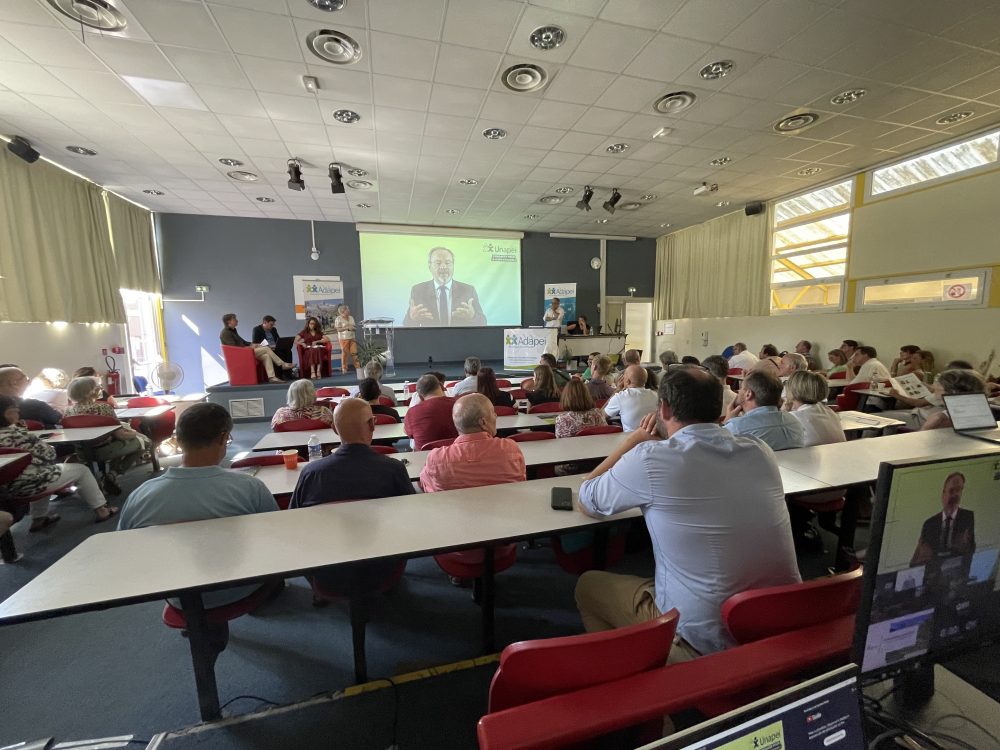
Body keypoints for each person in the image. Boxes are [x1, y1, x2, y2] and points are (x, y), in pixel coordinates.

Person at [573, 367, 801, 659]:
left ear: (664, 408)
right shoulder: (760, 451)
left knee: (587, 586)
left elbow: (587, 499)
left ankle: (641, 678)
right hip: (780, 625)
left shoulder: (651, 459)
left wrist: (634, 441)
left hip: (707, 641)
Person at [118, 403, 279, 608]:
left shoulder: (139, 497)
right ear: (223, 438)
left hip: (174, 592)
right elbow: (275, 539)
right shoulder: (250, 488)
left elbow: (122, 552)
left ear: (178, 439)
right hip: (241, 587)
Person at [290, 398, 414, 594]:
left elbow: (292, 523)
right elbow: (413, 519)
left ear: (334, 430)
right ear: (372, 425)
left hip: (326, 569)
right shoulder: (394, 470)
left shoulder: (310, 473)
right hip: (383, 566)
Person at [0, 394, 118, 528]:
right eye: (16, 410)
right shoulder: (18, 435)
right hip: (28, 484)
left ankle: (39, 518)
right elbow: (49, 455)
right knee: (81, 470)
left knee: (39, 471)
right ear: (8, 413)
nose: (19, 413)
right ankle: (102, 510)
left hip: (5, 489)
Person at [419, 394, 525, 492]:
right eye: (493, 413)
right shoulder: (511, 448)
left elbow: (426, 486)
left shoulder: (435, 459)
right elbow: (521, 479)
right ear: (483, 422)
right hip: (507, 509)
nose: (496, 416)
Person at [64, 377, 149, 494]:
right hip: (104, 450)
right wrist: (136, 434)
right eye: (98, 387)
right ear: (90, 392)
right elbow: (121, 435)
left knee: (124, 443)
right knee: (145, 442)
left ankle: (109, 477)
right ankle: (112, 475)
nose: (100, 389)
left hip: (81, 452)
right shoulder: (104, 408)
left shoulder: (68, 411)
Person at [403, 246, 486, 326]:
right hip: (430, 339)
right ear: (429, 266)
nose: (443, 266)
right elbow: (406, 325)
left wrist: (472, 316)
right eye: (438, 263)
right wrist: (412, 318)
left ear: (453, 266)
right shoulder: (418, 291)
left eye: (447, 263)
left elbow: (483, 322)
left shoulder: (468, 290)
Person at [723, 371, 804, 451]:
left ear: (748, 394)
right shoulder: (794, 422)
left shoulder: (736, 427)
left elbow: (717, 450)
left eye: (741, 389)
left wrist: (727, 421)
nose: (738, 392)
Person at [911, 472, 975, 566]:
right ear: (943, 494)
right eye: (952, 490)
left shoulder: (968, 517)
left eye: (959, 490)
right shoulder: (929, 524)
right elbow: (917, 561)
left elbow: (972, 549)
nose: (955, 495)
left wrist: (966, 547)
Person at [219, 313, 292, 383]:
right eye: (234, 319)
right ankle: (282, 364)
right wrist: (249, 347)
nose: (237, 320)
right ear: (228, 321)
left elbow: (243, 341)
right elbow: (234, 348)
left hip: (244, 351)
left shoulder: (233, 331)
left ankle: (272, 377)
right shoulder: (225, 333)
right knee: (266, 348)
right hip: (240, 354)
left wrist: (253, 344)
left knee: (266, 356)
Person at [784, 371, 845, 447]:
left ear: (792, 390)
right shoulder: (828, 411)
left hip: (814, 456)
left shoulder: (793, 417)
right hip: (839, 453)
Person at [920, 369, 986, 431]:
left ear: (953, 391)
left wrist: (927, 426)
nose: (935, 386)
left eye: (939, 384)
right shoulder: (981, 412)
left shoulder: (938, 419)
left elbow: (918, 440)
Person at [403, 373, 457, 449]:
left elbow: (407, 432)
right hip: (456, 455)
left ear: (420, 396)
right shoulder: (459, 404)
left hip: (425, 458)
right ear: (441, 386)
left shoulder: (412, 413)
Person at [603, 365, 658, 432]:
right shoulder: (656, 395)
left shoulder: (620, 397)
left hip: (632, 439)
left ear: (628, 381)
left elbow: (601, 417)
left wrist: (617, 390)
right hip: (655, 438)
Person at [333, 304, 361, 373]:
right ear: (343, 311)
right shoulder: (338, 319)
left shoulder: (351, 317)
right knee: (345, 354)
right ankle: (344, 368)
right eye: (347, 309)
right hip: (343, 339)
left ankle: (358, 368)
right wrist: (347, 328)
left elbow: (354, 327)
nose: (349, 310)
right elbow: (338, 330)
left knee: (354, 353)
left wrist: (353, 328)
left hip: (352, 338)